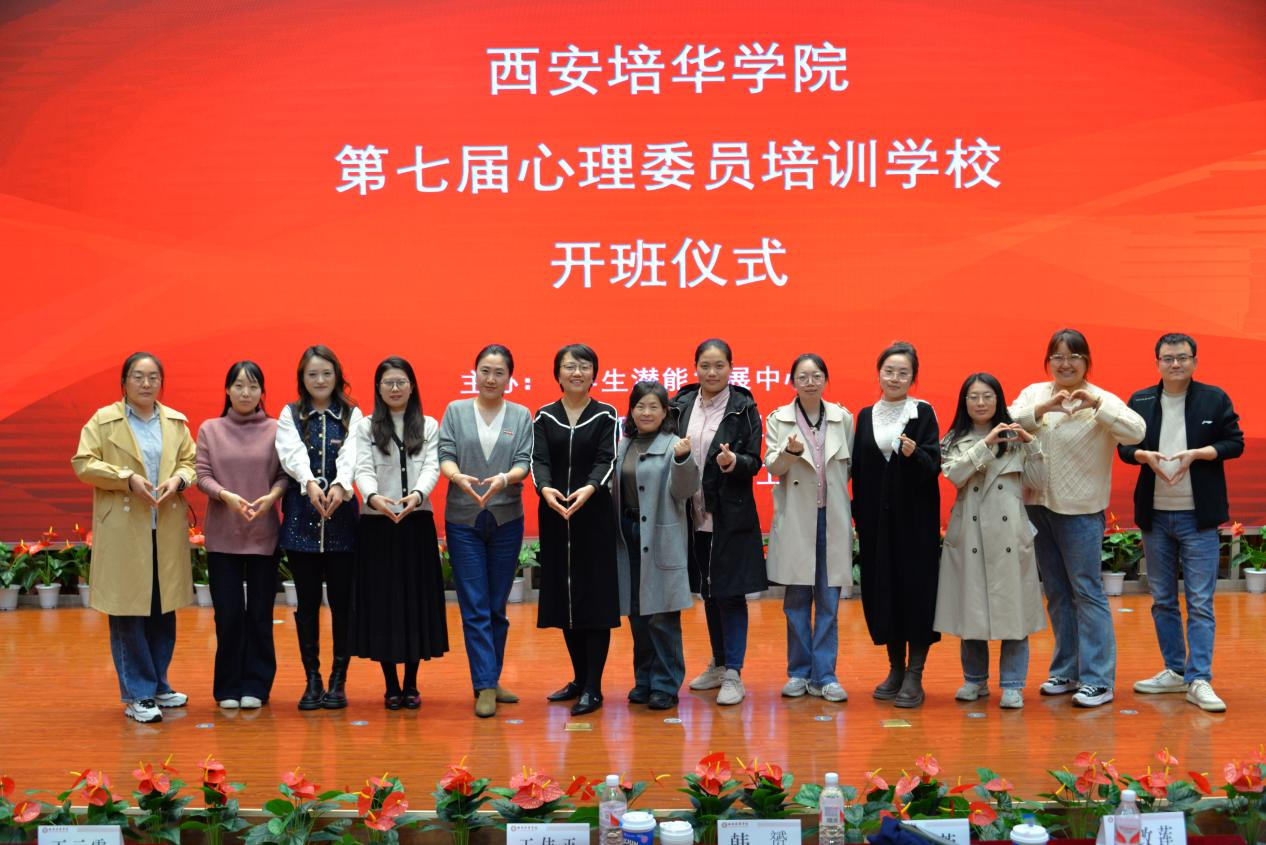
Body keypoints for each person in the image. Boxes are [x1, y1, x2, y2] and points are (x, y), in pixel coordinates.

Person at [1010, 328, 1145, 708]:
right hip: (1037, 506)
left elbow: (1137, 432)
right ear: (1048, 361)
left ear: (1087, 362)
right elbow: (1008, 422)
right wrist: (1043, 409)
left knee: (1087, 592)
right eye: (1057, 357)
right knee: (1056, 592)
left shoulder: (1102, 398)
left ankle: (1098, 680)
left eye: (1074, 357)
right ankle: (1066, 671)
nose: (1065, 364)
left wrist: (1097, 405)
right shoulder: (1034, 393)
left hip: (1081, 511)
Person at [1118, 332, 1243, 713]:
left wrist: (1201, 453)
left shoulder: (1214, 398)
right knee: (1163, 601)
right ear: (1157, 362)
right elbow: (1123, 446)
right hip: (1155, 516)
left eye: (1183, 357)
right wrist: (1142, 456)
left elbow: (1235, 442)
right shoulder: (1140, 400)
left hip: (1198, 517)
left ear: (1194, 361)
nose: (1175, 364)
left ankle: (1199, 678)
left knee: (1201, 602)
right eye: (1168, 358)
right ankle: (1175, 670)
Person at [71, 352, 196, 723]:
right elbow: (83, 463)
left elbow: (190, 462)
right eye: (138, 376)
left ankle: (158, 683)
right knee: (128, 611)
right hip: (124, 530)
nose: (146, 383)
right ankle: (138, 694)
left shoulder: (175, 422)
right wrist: (126, 479)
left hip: (164, 526)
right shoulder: (104, 420)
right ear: (124, 382)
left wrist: (179, 480)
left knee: (162, 608)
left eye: (153, 377)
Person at [933, 373, 1047, 709]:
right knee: (971, 611)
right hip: (969, 533)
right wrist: (985, 444)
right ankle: (974, 680)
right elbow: (954, 475)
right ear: (964, 402)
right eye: (973, 397)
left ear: (998, 400)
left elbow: (1038, 482)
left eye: (987, 396)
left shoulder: (1016, 437)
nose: (981, 403)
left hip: (1010, 533)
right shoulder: (953, 439)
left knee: (1014, 612)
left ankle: (1013, 684)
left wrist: (1031, 444)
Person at [438, 344, 534, 718]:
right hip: (463, 519)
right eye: (485, 371)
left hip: (507, 517)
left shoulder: (521, 415)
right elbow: (446, 455)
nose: (491, 379)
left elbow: (523, 461)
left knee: (497, 606)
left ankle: (490, 677)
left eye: (499, 372)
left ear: (510, 377)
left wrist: (505, 479)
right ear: (475, 373)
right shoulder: (456, 410)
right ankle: (485, 686)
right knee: (475, 605)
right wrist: (456, 477)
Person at [672, 339, 767, 706]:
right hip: (690, 513)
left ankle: (733, 673)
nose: (712, 373)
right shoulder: (681, 404)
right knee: (709, 591)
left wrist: (733, 463)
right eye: (705, 365)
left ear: (731, 368)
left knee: (731, 593)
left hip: (729, 514)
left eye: (719, 366)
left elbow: (754, 461)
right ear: (695, 367)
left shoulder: (744, 407)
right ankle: (718, 662)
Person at [351, 357, 449, 710]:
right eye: (388, 382)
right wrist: (373, 497)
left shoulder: (428, 425)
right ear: (378, 388)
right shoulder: (365, 427)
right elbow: (361, 468)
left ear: (412, 386)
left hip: (416, 523)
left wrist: (418, 496)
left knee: (414, 605)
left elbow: (432, 466)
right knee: (384, 605)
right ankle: (390, 685)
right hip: (377, 525)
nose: (395, 388)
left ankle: (411, 683)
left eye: (401, 382)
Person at [852, 341, 941, 708]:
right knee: (884, 592)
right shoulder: (865, 415)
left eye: (903, 372)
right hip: (876, 524)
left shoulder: (923, 412)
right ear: (879, 374)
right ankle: (895, 669)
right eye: (889, 371)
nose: (895, 378)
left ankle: (915, 675)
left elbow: (935, 464)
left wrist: (914, 453)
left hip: (915, 524)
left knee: (915, 593)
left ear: (912, 377)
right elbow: (859, 470)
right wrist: (859, 517)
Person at [533, 343, 621, 717]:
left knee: (594, 600)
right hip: (556, 514)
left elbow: (607, 459)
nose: (577, 373)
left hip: (593, 514)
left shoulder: (606, 414)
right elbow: (538, 460)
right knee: (565, 598)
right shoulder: (544, 416)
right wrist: (545, 489)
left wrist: (589, 488)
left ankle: (593, 687)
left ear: (594, 374)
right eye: (570, 366)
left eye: (584, 366)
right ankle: (579, 678)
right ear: (558, 373)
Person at [195, 360, 288, 710]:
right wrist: (225, 496)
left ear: (262, 392)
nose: (245, 393)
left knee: (260, 615)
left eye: (252, 386)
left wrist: (273, 497)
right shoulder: (210, 429)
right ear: (227, 390)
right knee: (229, 615)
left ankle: (257, 685)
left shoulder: (276, 429)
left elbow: (285, 474)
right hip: (223, 536)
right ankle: (228, 686)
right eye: (238, 385)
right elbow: (202, 474)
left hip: (264, 534)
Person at [275, 345, 362, 710]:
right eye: (312, 374)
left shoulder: (353, 414)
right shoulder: (291, 413)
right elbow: (290, 453)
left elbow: (354, 453)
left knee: (343, 604)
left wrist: (341, 485)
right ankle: (312, 678)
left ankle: (339, 679)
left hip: (343, 520)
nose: (320, 380)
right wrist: (309, 483)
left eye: (327, 373)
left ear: (337, 376)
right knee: (307, 605)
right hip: (301, 518)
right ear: (302, 378)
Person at [764, 353, 854, 703]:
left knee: (829, 601)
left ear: (825, 380)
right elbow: (773, 466)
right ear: (793, 382)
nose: (810, 382)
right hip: (797, 521)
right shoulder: (779, 419)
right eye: (803, 377)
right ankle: (799, 672)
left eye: (816, 375)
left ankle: (826, 676)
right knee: (797, 602)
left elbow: (848, 469)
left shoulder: (842, 418)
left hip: (832, 518)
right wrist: (789, 453)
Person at [613, 381, 700, 712]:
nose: (646, 412)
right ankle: (644, 680)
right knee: (637, 614)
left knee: (662, 616)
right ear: (631, 410)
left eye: (653, 407)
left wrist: (684, 459)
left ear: (665, 412)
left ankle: (665, 684)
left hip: (660, 538)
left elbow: (685, 491)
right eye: (640, 406)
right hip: (628, 535)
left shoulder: (675, 445)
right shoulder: (624, 444)